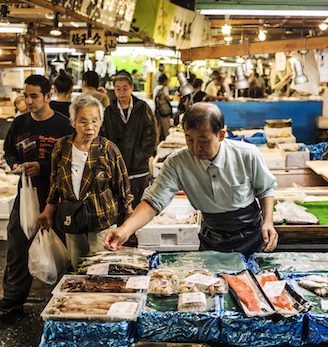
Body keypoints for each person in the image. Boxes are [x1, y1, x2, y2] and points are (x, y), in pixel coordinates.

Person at [104, 103, 278, 257]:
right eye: (190, 139)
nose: (196, 148)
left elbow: (266, 189)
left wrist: (268, 221)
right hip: (212, 237)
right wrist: (126, 229)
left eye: (203, 140)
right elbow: (153, 202)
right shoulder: (177, 162)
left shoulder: (247, 154)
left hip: (250, 235)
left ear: (221, 135)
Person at [0, 75, 75, 315]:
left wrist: (43, 167)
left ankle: (63, 298)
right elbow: (9, 151)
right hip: (27, 193)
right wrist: (14, 165)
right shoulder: (19, 124)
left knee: (61, 243)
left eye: (34, 96)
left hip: (57, 194)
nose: (28, 101)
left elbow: (71, 160)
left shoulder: (63, 125)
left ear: (47, 96)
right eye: (25, 96)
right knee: (18, 240)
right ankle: (13, 298)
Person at [36, 96, 133, 268]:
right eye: (83, 122)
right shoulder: (62, 147)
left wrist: (129, 216)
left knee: (100, 269)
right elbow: (55, 183)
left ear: (101, 122)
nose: (90, 127)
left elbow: (122, 184)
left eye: (95, 121)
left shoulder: (108, 149)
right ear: (73, 122)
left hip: (102, 218)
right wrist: (48, 211)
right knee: (78, 267)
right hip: (73, 217)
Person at [101, 71, 156, 207]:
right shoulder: (109, 111)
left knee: (139, 206)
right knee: (119, 207)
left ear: (131, 88)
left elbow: (150, 134)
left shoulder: (142, 108)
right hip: (116, 168)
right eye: (118, 89)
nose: (121, 92)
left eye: (125, 88)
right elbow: (104, 137)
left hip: (139, 169)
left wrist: (142, 155)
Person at [153, 73, 173, 143]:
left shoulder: (156, 88)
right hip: (164, 111)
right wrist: (172, 98)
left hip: (157, 111)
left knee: (158, 129)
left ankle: (157, 145)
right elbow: (167, 98)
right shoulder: (164, 88)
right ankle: (167, 143)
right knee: (166, 129)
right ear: (165, 81)